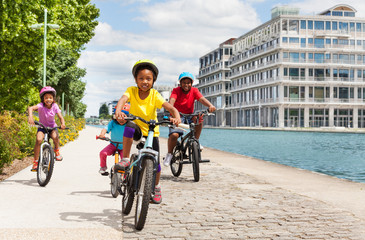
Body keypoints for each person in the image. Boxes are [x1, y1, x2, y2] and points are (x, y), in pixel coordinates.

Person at [114, 59, 181, 204]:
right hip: (137, 129)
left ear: (154, 80)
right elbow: (123, 99)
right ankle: (125, 159)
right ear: (136, 80)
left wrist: (176, 115)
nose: (145, 81)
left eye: (148, 79)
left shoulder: (154, 94)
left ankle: (156, 186)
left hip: (151, 132)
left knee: (155, 163)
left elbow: (169, 107)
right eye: (141, 78)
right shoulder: (131, 90)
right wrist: (118, 111)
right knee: (130, 125)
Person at [163, 72, 216, 167]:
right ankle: (169, 154)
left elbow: (202, 99)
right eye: (184, 82)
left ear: (191, 83)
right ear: (180, 83)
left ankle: (196, 141)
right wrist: (172, 112)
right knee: (174, 135)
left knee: (199, 118)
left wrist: (210, 105)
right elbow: (172, 101)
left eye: (188, 82)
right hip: (178, 115)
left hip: (190, 114)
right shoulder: (176, 90)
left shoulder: (194, 90)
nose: (186, 85)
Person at [28, 86, 66, 172]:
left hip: (52, 127)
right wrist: (30, 117)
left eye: (50, 98)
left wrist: (63, 123)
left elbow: (60, 117)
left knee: (55, 137)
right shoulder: (41, 105)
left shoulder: (55, 106)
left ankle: (56, 150)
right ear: (43, 99)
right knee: (38, 140)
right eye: (46, 98)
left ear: (53, 99)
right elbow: (30, 108)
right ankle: (35, 162)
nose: (48, 99)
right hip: (42, 127)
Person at [97, 103, 131, 175]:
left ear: (128, 117)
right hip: (113, 144)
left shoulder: (129, 124)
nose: (121, 119)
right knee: (102, 153)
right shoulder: (113, 123)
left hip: (124, 147)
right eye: (119, 116)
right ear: (115, 116)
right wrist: (102, 134)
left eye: (124, 117)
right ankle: (103, 167)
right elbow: (105, 129)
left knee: (125, 161)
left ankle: (125, 176)